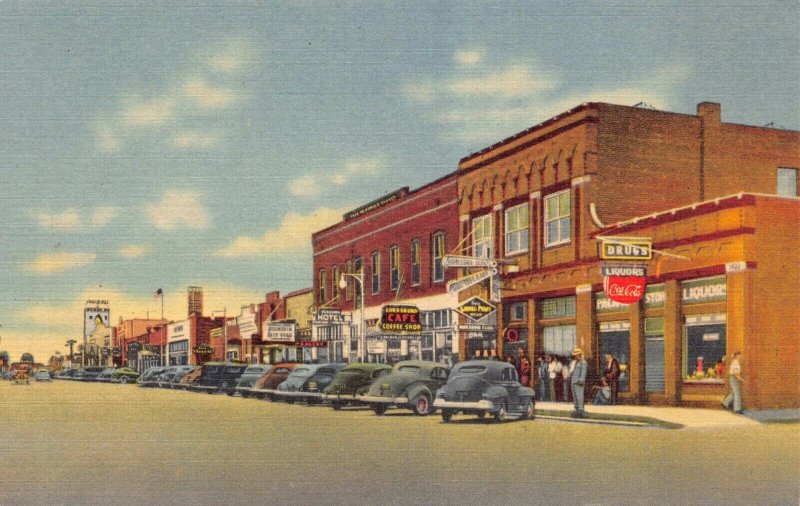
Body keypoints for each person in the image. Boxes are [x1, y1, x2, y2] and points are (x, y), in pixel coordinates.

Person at [571, 348, 587, 417]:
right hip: (574, 382)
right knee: (575, 397)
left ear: (579, 355)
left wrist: (581, 380)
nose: (575, 356)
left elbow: (583, 373)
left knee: (579, 397)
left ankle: (580, 411)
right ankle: (576, 410)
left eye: (576, 355)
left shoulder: (583, 362)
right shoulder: (576, 362)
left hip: (578, 382)